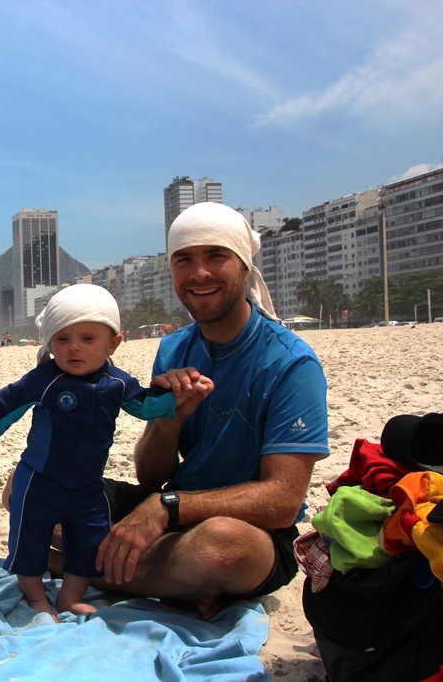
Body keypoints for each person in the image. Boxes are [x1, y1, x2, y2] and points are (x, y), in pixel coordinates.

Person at [93, 201, 331, 619]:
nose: (199, 273)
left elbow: (282, 500)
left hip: (249, 530)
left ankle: (80, 565)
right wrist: (171, 421)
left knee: (222, 546)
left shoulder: (291, 364)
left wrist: (167, 507)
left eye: (216, 256)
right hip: (172, 509)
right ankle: (172, 580)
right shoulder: (174, 349)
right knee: (30, 488)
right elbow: (149, 476)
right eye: (184, 260)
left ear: (244, 265)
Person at [0, 284, 211, 618]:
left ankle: (69, 598)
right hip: (39, 482)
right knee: (29, 541)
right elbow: (7, 402)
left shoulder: (118, 383)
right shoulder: (45, 379)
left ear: (113, 343)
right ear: (50, 344)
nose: (74, 348)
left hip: (87, 487)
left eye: (87, 339)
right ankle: (36, 596)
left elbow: (145, 405)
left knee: (90, 544)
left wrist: (178, 396)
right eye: (62, 339)